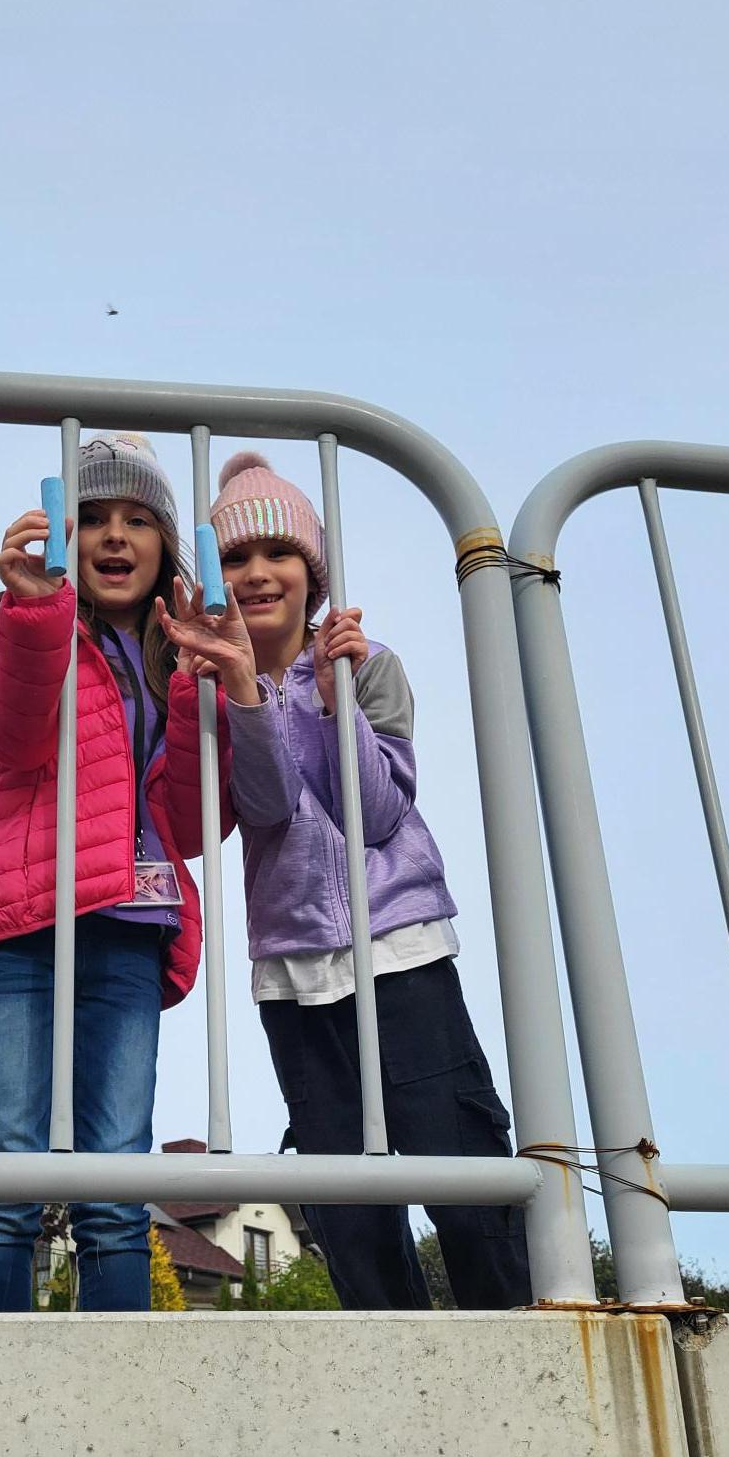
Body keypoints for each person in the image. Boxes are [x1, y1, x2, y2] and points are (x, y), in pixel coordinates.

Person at [157, 451, 530, 1310]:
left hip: (400, 949)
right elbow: (267, 806)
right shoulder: (213, 686)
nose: (258, 574)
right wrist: (247, 694)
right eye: (237, 558)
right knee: (347, 1206)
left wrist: (336, 701)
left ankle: (511, 1330)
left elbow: (380, 813)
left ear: (312, 573)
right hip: (293, 969)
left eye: (278, 554)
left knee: (461, 1165)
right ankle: (397, 1356)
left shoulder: (369, 663)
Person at [0, 433, 229, 1312]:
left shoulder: (173, 653)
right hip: (15, 920)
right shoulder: (4, 625)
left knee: (116, 1181)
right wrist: (37, 615)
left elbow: (192, 823)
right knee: (7, 1168)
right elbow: (10, 740)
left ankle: (115, 1378)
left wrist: (198, 685)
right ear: (60, 533)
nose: (114, 536)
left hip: (129, 928)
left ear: (166, 546)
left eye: (138, 520)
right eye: (92, 516)